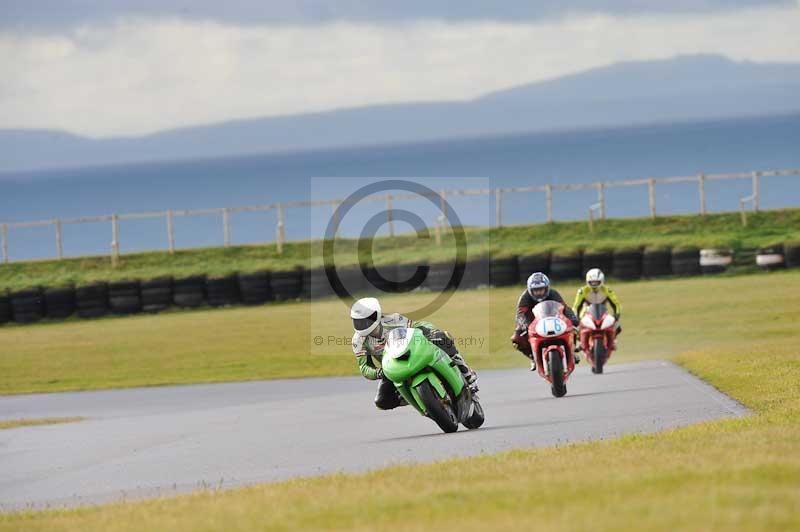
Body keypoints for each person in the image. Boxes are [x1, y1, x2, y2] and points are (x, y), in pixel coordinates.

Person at [350, 297, 479, 410]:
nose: (362, 325)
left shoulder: (392, 319)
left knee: (442, 337)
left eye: (365, 320)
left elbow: (417, 325)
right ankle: (417, 398)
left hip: (412, 353)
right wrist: (379, 372)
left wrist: (430, 331)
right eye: (357, 321)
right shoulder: (358, 340)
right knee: (382, 402)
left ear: (376, 315)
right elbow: (364, 367)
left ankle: (466, 372)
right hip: (392, 368)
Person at [511, 272, 580, 371]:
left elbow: (565, 308)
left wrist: (573, 319)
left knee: (571, 328)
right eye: (536, 290)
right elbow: (520, 314)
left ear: (547, 288)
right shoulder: (525, 297)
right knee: (516, 339)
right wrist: (524, 325)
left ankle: (571, 351)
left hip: (554, 319)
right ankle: (533, 357)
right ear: (530, 290)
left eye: (541, 289)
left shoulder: (553, 293)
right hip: (532, 323)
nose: (539, 292)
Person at [573, 268, 623, 349]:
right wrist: (576, 317)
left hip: (603, 314)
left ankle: (612, 341)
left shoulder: (607, 290)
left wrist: (616, 315)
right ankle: (580, 342)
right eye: (591, 282)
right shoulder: (582, 291)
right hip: (586, 314)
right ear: (587, 281)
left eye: (596, 282)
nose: (594, 284)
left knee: (617, 326)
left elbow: (616, 304)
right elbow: (576, 306)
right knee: (575, 328)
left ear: (601, 281)